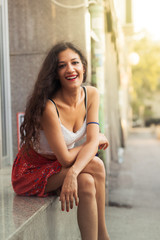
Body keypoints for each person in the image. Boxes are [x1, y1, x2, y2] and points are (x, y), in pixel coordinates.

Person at [12, 42, 110, 240]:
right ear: (55, 73)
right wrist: (91, 144)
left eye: (75, 63)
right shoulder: (49, 107)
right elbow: (66, 158)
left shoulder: (91, 94)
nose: (70, 69)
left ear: (83, 66)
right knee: (96, 164)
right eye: (62, 65)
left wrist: (74, 173)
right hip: (32, 172)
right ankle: (104, 236)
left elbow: (89, 146)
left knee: (86, 181)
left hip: (63, 167)